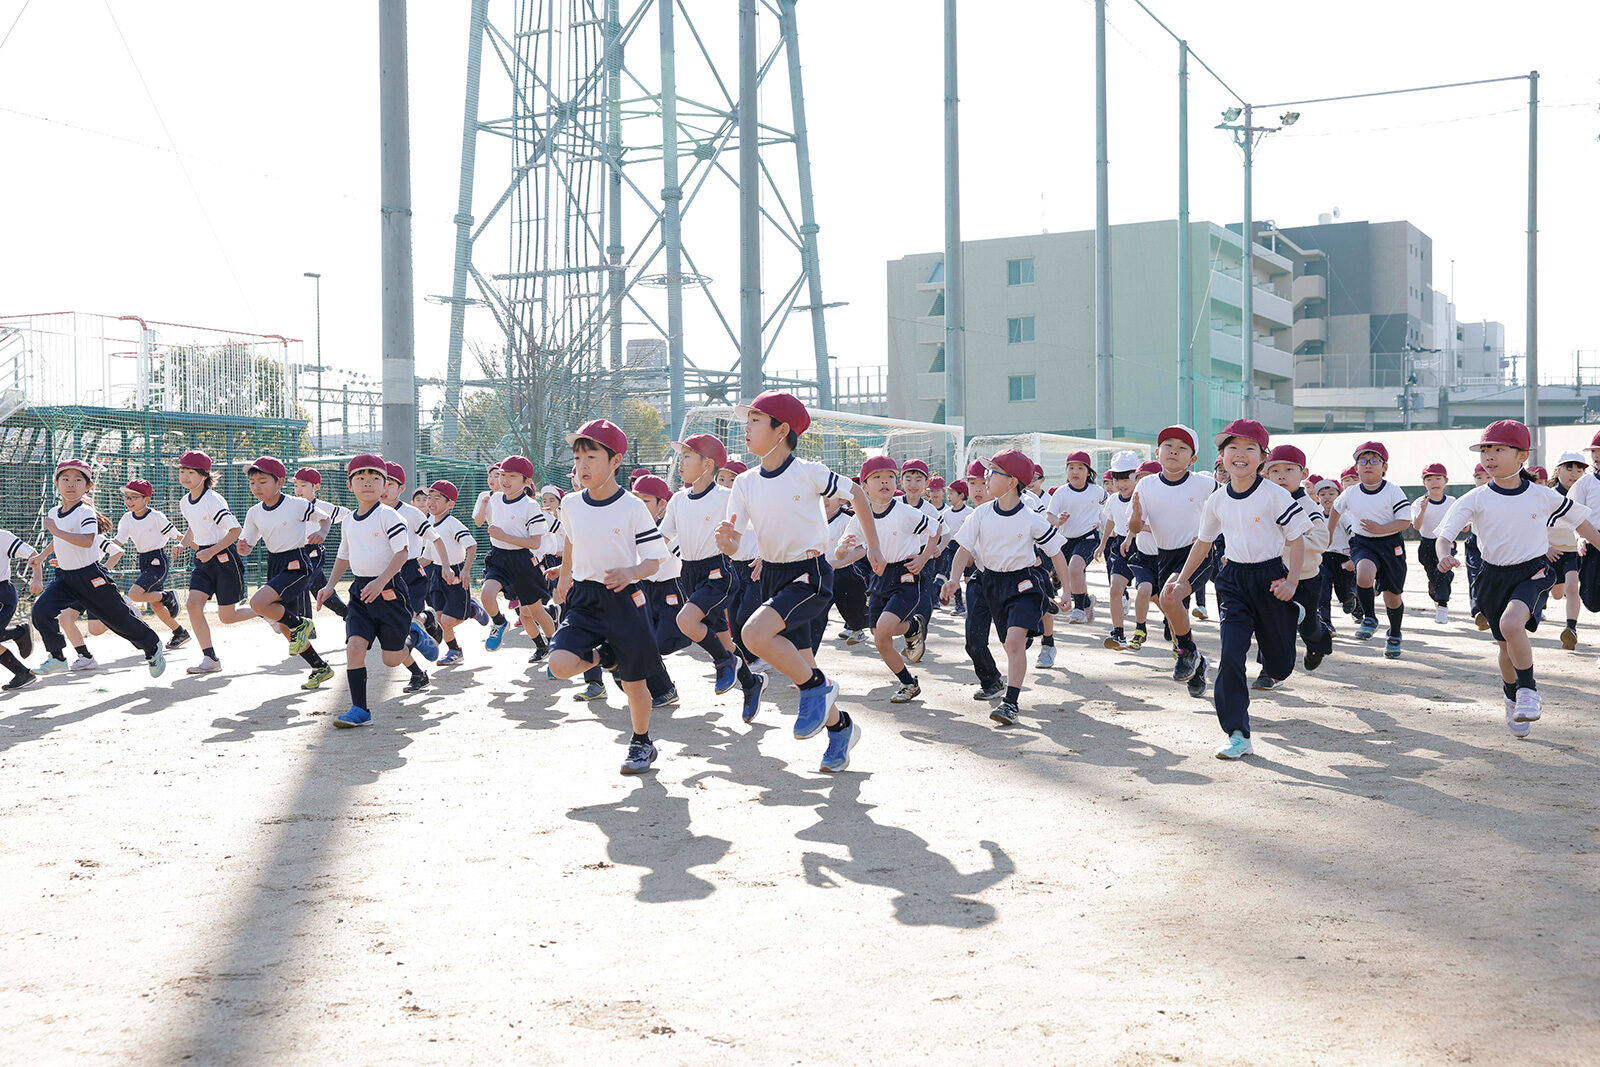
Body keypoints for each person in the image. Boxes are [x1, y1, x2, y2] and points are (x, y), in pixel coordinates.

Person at [715, 391, 880, 772]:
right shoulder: (745, 483)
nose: (746, 428)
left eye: (755, 420)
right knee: (799, 663)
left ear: (781, 430)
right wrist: (728, 541)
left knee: (754, 636)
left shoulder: (808, 471)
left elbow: (855, 492)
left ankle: (815, 688)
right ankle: (841, 728)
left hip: (810, 575)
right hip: (773, 575)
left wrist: (873, 545)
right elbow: (736, 537)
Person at [1433, 421, 1600, 737]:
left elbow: (1583, 524)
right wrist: (1444, 554)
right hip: (1492, 577)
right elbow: (1445, 535)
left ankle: (1529, 690)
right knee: (1504, 646)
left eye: (1499, 449)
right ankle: (1512, 696)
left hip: (1532, 573)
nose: (1490, 456)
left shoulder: (1542, 496)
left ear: (1522, 455)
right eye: (1485, 449)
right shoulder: (1474, 498)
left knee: (1512, 626)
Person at [1164, 421, 1310, 759]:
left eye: (1249, 449)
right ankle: (1237, 733)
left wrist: (1291, 583)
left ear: (1263, 457)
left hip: (1272, 578)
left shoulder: (1275, 495)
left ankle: (1295, 613)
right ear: (1222, 456)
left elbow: (1297, 539)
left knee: (1280, 665)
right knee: (1230, 656)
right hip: (1233, 582)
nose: (1240, 455)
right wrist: (1183, 579)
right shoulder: (1216, 501)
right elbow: (1203, 542)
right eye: (1232, 448)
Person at [547, 420, 672, 774]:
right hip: (584, 599)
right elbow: (571, 538)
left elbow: (654, 559)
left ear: (615, 462)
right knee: (559, 665)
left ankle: (641, 742)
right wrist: (566, 574)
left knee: (635, 683)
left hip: (623, 598)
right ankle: (607, 656)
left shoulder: (632, 506)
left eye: (591, 456)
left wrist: (631, 572)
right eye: (577, 457)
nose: (582, 465)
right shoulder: (570, 503)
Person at [939, 449, 1073, 726]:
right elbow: (963, 549)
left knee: (1013, 643)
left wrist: (1068, 592)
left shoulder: (1031, 518)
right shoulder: (981, 514)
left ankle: (1010, 702)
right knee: (1007, 642)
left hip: (1022, 583)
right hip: (988, 582)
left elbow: (1057, 553)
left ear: (1012, 481)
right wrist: (953, 579)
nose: (986, 478)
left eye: (993, 473)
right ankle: (1035, 615)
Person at [317, 454, 432, 726]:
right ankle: (360, 710)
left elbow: (402, 552)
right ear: (350, 485)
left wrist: (380, 581)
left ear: (384, 486)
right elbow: (344, 556)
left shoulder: (388, 515)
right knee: (354, 647)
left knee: (392, 660)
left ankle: (416, 629)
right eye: (361, 478)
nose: (367, 483)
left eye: (375, 478)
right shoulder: (347, 521)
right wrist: (329, 585)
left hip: (390, 590)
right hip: (360, 591)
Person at [30, 459, 165, 678]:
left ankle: (152, 646)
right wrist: (42, 556)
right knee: (40, 612)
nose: (70, 484)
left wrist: (56, 530)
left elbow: (86, 540)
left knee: (118, 619)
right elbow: (58, 539)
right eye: (65, 479)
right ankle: (57, 657)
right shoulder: (55, 513)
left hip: (91, 575)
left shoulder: (85, 512)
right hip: (65, 578)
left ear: (88, 486)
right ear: (56, 483)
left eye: (77, 479)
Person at [834, 456, 937, 704]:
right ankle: (909, 676)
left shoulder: (906, 512)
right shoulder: (859, 517)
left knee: (884, 630)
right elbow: (841, 551)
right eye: (877, 477)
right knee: (880, 638)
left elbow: (936, 531)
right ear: (864, 488)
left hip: (905, 574)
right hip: (878, 576)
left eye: (890, 477)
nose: (885, 482)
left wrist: (923, 559)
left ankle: (911, 641)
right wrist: (842, 549)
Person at [233, 455, 337, 690]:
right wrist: (244, 547)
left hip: (297, 563)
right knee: (284, 628)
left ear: (279, 483)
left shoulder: (297, 504)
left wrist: (322, 532)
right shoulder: (254, 512)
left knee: (258, 602)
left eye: (262, 481)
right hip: (275, 564)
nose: (256, 487)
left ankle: (301, 624)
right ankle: (320, 666)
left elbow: (325, 518)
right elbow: (248, 545)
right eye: (252, 483)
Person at [1128, 425, 1218, 696]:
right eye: (1168, 446)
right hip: (1163, 555)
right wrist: (1135, 513)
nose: (1174, 451)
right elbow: (1134, 527)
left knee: (1168, 596)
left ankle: (1188, 652)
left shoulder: (1205, 484)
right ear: (1158, 452)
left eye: (1182, 448)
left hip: (1196, 553)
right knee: (1173, 618)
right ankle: (1195, 665)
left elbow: (1228, 508)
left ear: (1192, 458)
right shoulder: (1146, 484)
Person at [661, 433, 743, 697]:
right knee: (723, 639)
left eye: (686, 456)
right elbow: (662, 537)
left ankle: (722, 661)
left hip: (718, 571)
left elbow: (746, 532)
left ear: (707, 465)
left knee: (686, 620)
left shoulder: (726, 497)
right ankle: (752, 684)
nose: (680, 463)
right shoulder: (677, 499)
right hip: (690, 573)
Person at [1329, 441, 1412, 658]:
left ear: (1384, 466)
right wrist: (1327, 535)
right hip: (1363, 543)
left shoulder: (1393, 491)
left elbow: (1404, 521)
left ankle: (1394, 633)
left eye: (1374, 460)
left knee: (1392, 596)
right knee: (1364, 574)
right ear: (1356, 467)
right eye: (1362, 461)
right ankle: (1369, 618)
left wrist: (1382, 528)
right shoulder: (1350, 492)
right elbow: (1335, 511)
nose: (1368, 465)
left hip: (1390, 544)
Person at [1260, 444, 1333, 680]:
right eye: (1274, 470)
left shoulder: (1309, 507)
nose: (1281, 475)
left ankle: (1317, 642)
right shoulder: (1264, 503)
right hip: (1273, 576)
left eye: (1289, 469)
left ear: (1303, 474)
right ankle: (1268, 670)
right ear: (1265, 474)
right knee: (1271, 622)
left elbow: (1321, 539)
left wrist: (1287, 543)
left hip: (1305, 578)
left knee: (1307, 626)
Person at [174, 450, 246, 675]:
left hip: (224, 557)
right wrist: (183, 544)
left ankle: (266, 611)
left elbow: (235, 530)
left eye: (191, 472)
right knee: (193, 605)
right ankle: (210, 658)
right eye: (182, 471)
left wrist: (212, 551)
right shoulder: (185, 501)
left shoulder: (213, 499)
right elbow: (194, 525)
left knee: (228, 616)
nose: (185, 476)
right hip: (203, 559)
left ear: (204, 475)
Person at [480, 455, 557, 657]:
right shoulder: (496, 498)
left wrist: (505, 536)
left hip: (522, 561)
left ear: (527, 482)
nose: (505, 480)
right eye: (503, 474)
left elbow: (535, 543)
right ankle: (499, 622)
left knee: (533, 612)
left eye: (512, 476)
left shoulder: (530, 506)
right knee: (486, 595)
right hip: (498, 558)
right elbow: (480, 521)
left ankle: (552, 648)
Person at [113, 479, 190, 649]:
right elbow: (118, 541)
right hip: (143, 560)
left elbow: (177, 535)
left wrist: (196, 545)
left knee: (134, 594)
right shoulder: (126, 519)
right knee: (155, 605)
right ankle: (180, 632)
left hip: (158, 561)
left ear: (146, 499)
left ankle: (167, 595)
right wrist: (98, 550)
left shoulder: (156, 517)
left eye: (134, 497)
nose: (129, 501)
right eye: (127, 497)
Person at [380, 463, 442, 663]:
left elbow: (436, 538)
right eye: (382, 482)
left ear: (401, 489)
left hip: (410, 570)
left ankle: (424, 619)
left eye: (390, 484)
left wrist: (447, 566)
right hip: (385, 574)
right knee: (396, 628)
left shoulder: (412, 513)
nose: (384, 488)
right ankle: (418, 673)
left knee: (409, 622)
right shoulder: (372, 512)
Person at [420, 480, 479, 666]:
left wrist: (466, 571)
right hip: (436, 574)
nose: (431, 502)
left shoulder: (453, 523)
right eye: (430, 498)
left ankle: (471, 610)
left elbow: (472, 545)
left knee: (447, 620)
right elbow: (428, 556)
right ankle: (454, 650)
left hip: (455, 572)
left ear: (450, 504)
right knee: (440, 618)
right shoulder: (429, 522)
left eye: (437, 498)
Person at [1047, 450, 1105, 626]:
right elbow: (1049, 515)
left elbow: (1109, 510)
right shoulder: (1061, 492)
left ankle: (1079, 609)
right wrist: (1058, 520)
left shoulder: (1098, 491)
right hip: (1065, 541)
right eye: (1071, 467)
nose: (1075, 472)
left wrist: (1107, 530)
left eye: (1080, 468)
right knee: (1072, 575)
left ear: (1088, 472)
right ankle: (1087, 602)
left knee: (1074, 569)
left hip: (1088, 538)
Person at [1099, 451, 1143, 650]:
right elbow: (1110, 520)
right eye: (1117, 478)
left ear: (1136, 476)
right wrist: (1102, 544)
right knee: (1115, 590)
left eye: (1126, 478)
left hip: (1143, 548)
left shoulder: (1143, 497)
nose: (1120, 484)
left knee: (1151, 594)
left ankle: (1173, 624)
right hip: (1119, 548)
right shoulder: (1113, 500)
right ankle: (1118, 633)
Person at [292, 468, 348, 620]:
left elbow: (348, 515)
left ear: (316, 487)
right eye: (296, 485)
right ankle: (350, 615)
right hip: (295, 552)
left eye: (303, 485)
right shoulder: (291, 505)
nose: (298, 489)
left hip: (313, 552)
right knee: (323, 592)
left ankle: (305, 625)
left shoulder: (324, 507)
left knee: (302, 581)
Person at [1546, 451, 1587, 648]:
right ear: (1558, 470)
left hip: (1573, 550)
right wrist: (1546, 547)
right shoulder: (1548, 495)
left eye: (1579, 470)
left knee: (1572, 586)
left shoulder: (1584, 494)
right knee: (1555, 592)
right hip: (1550, 551)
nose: (1574, 474)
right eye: (1569, 468)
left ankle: (1571, 628)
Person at [1411, 462, 1457, 624]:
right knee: (1433, 576)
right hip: (1427, 545)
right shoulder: (1418, 503)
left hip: (1446, 543)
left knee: (1444, 572)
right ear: (1424, 483)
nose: (1435, 483)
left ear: (1446, 481)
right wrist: (1423, 509)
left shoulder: (1452, 502)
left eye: (1439, 478)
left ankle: (1442, 606)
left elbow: (1462, 526)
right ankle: (1435, 594)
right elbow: (1416, 526)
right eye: (1429, 479)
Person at [0, 524, 37, 690]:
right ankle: (22, 673)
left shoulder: (3, 536)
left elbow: (33, 554)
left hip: (2, 595)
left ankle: (20, 632)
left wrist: (37, 579)